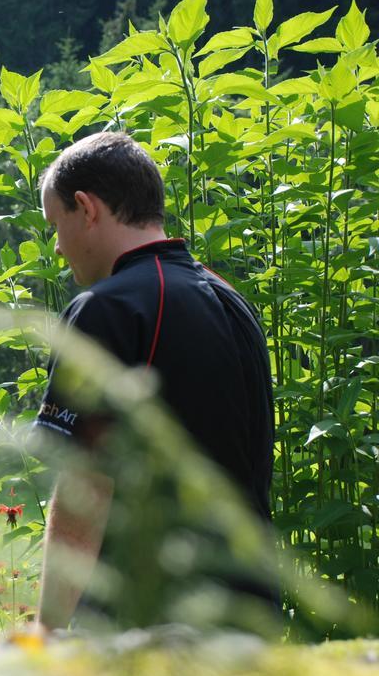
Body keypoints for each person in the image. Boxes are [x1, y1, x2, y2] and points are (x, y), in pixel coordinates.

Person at [32, 132, 276, 632]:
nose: (57, 247)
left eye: (56, 225)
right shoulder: (233, 300)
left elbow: (85, 488)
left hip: (149, 620)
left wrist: (49, 630)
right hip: (250, 612)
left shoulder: (107, 309)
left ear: (86, 208)